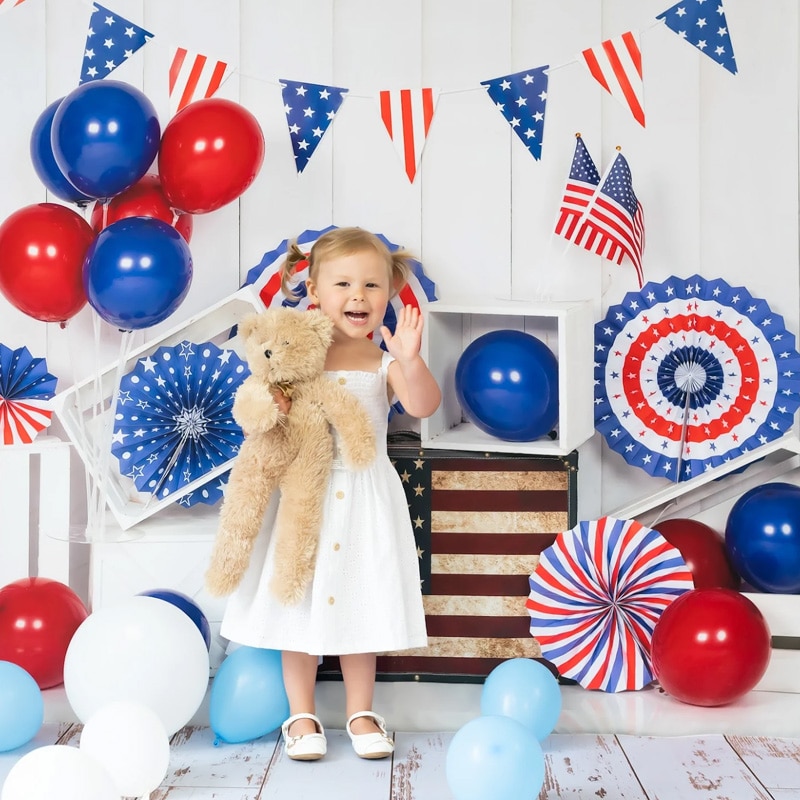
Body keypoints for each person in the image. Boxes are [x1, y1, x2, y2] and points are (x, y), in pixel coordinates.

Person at [220, 227, 441, 761]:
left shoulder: (380, 360)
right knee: (297, 599)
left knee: (358, 601)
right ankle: (301, 713)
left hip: (363, 498)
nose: (358, 295)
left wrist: (409, 359)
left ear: (388, 294)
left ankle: (360, 710)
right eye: (343, 283)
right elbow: (263, 414)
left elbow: (423, 405)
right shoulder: (298, 358)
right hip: (305, 494)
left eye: (372, 284)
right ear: (314, 292)